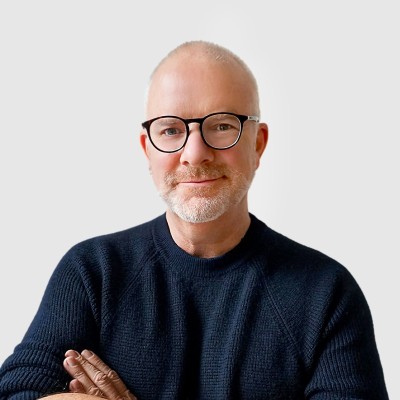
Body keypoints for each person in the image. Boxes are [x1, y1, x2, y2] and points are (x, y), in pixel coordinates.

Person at [0, 40, 389, 400]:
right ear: (148, 149)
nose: (195, 153)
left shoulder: (326, 293)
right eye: (171, 130)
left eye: (222, 126)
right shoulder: (93, 273)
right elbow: (17, 392)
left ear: (258, 143)